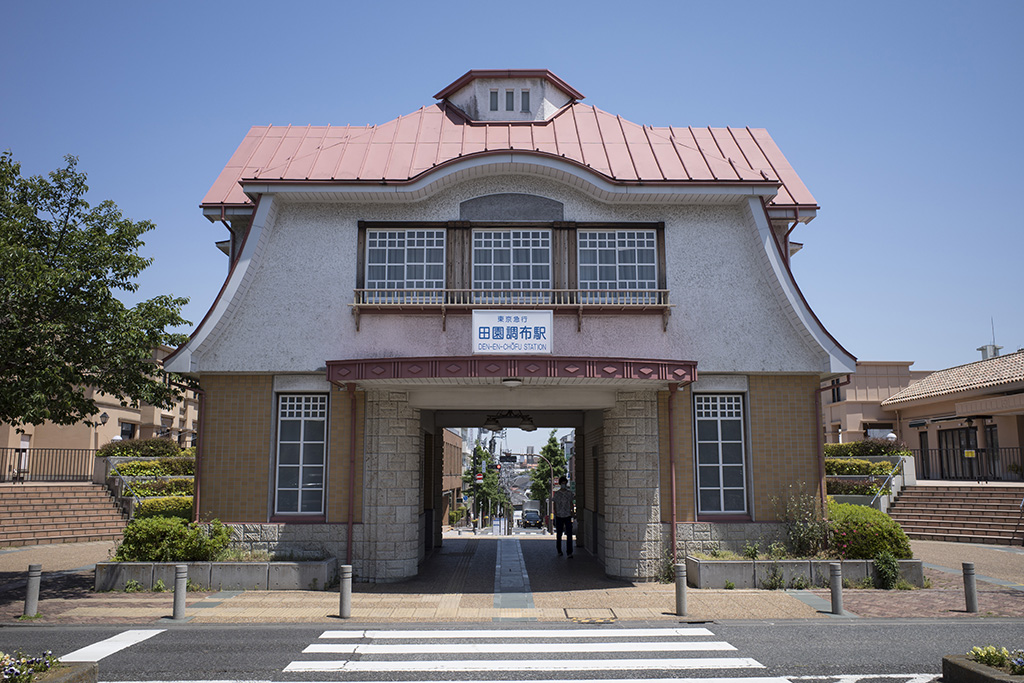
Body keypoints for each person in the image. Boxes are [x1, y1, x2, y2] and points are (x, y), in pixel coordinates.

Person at [551, 475, 574, 557]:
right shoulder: (557, 494)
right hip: (559, 515)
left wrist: (572, 512)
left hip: (567, 515)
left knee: (569, 534)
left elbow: (571, 503)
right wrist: (555, 512)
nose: (563, 485)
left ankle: (569, 552)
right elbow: (554, 503)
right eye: (562, 483)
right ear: (560, 484)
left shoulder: (569, 493)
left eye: (565, 483)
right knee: (559, 534)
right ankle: (559, 550)